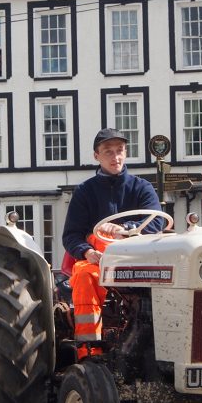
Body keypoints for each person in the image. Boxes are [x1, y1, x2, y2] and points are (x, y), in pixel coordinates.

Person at [61, 128, 162, 358]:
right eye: (108, 152)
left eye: (120, 151)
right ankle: (90, 350)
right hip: (100, 261)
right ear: (96, 156)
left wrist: (125, 230)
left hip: (139, 260)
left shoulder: (142, 188)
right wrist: (86, 252)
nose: (115, 157)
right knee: (86, 276)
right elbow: (71, 235)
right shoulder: (85, 193)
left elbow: (156, 222)